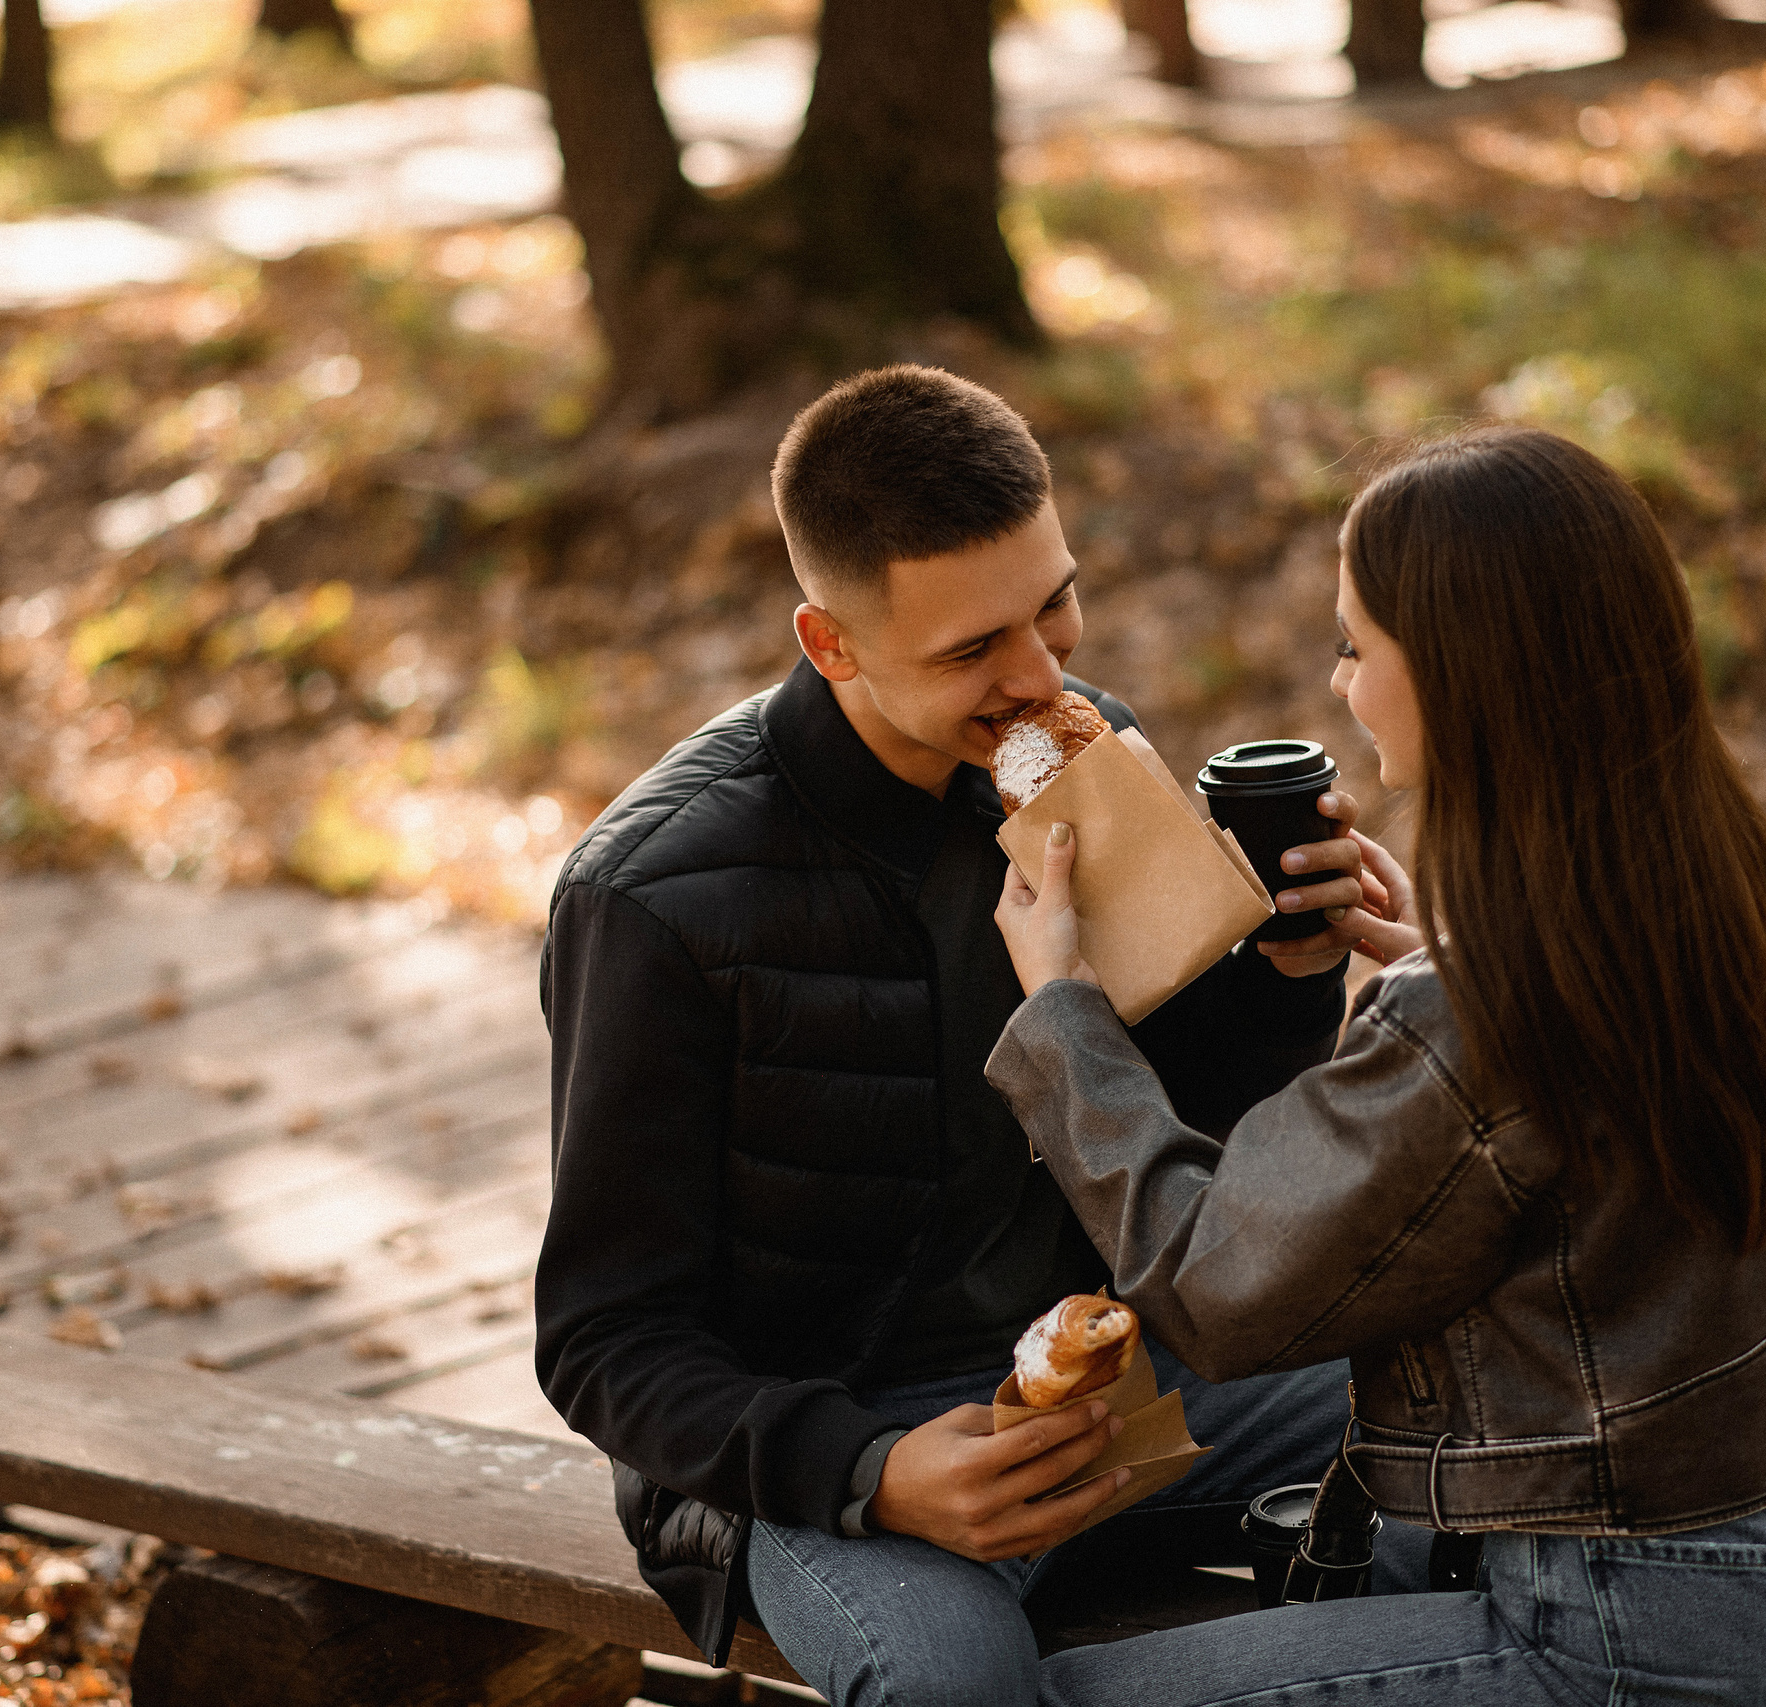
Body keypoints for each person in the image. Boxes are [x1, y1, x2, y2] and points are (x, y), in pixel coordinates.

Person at [534, 366, 1426, 1707]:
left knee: (1486, 1444)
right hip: (828, 1443)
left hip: (1120, 1369)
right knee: (950, 1686)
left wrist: (1291, 973)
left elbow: (1188, 1132)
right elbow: (604, 1339)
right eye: (971, 652)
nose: (1041, 677)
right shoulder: (658, 897)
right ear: (831, 643)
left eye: (1053, 604)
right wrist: (873, 1471)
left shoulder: (1090, 750)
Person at [988, 424, 1766, 1707]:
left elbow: (1213, 1284)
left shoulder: (1480, 1021)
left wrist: (1064, 1013)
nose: (1340, 682)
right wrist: (1446, 965)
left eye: (1357, 646)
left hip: (1619, 1630)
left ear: (1466, 674)